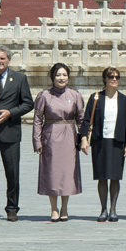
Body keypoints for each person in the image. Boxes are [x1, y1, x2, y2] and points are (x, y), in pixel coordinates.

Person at [32, 63, 84, 222]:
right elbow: (37, 120)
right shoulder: (44, 96)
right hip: (51, 136)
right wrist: (37, 141)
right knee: (52, 172)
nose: (61, 78)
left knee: (67, 173)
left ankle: (65, 207)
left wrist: (83, 139)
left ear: (68, 77)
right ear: (52, 77)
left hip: (69, 136)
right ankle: (53, 208)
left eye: (64, 75)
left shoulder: (75, 96)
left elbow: (81, 120)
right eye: (58, 75)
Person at [79, 66, 126, 223]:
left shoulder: (124, 100)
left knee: (115, 177)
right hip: (100, 141)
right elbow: (87, 119)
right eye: (111, 76)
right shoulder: (96, 97)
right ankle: (103, 209)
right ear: (105, 79)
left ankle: (113, 209)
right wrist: (83, 138)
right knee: (102, 177)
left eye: (116, 76)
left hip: (118, 141)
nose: (114, 79)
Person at [0, 45, 34, 222]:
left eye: (2, 58)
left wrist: (11, 113)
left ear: (9, 60)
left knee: (12, 173)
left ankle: (12, 208)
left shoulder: (19, 78)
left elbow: (28, 103)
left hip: (10, 133)